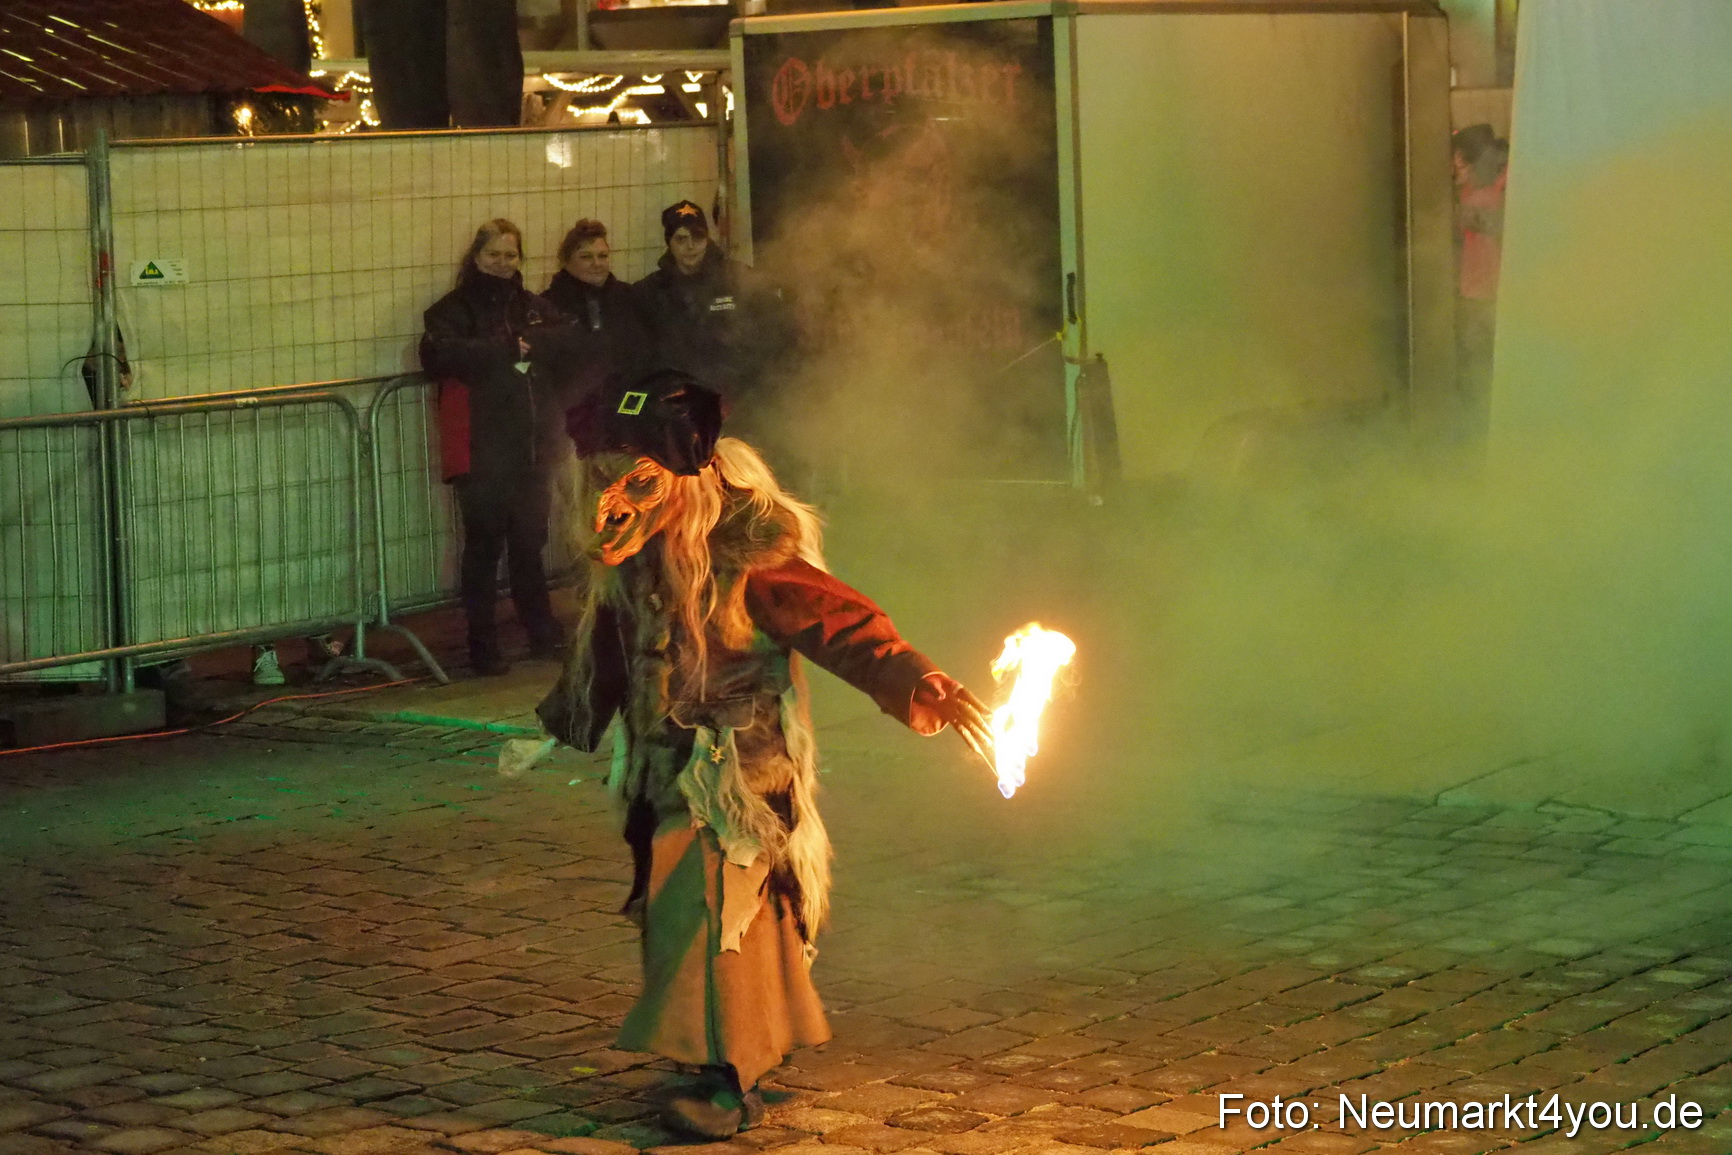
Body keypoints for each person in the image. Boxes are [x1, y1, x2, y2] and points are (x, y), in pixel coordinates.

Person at [536, 370, 994, 1139]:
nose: (610, 501)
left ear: (682, 475)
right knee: (700, 915)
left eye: (634, 480)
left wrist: (916, 678)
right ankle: (734, 1053)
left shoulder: (749, 553)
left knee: (714, 911)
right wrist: (574, 712)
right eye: (602, 480)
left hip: (736, 774)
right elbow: (609, 647)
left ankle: (727, 1080)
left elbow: (838, 621)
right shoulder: (638, 563)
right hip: (664, 763)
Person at [421, 219, 587, 676]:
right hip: (480, 450)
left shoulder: (534, 309)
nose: (502, 262)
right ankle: (482, 645)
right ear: (476, 257)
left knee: (529, 544)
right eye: (494, 254)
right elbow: (439, 354)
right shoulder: (451, 311)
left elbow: (573, 339)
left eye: (510, 254)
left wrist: (526, 344)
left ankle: (540, 633)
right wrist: (508, 350)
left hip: (534, 446)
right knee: (483, 547)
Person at [635, 201, 787, 433]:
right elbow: (644, 357)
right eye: (681, 239)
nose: (691, 246)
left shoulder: (737, 279)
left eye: (698, 237)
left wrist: (744, 391)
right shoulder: (650, 293)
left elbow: (770, 334)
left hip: (740, 407)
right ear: (669, 243)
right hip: (679, 410)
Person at [541, 218, 653, 405]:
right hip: (573, 411)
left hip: (629, 404)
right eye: (586, 257)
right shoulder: (549, 305)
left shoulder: (629, 297)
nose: (597, 263)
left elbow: (647, 356)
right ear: (566, 261)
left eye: (602, 256)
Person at [1452, 123, 1508, 430]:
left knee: (1480, 375)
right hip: (1478, 295)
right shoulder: (1475, 189)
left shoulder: (1499, 190)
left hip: (1487, 298)